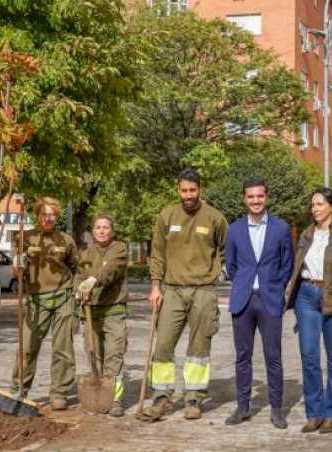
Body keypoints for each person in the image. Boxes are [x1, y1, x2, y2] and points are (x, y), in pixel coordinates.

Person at [141, 168, 228, 420]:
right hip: (172, 291)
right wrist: (156, 285)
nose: (188, 194)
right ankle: (162, 396)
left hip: (204, 291)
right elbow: (157, 253)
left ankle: (193, 398)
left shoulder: (215, 218)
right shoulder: (167, 215)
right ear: (177, 190)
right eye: (184, 190)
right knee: (163, 345)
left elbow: (224, 249)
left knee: (199, 348)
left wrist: (214, 272)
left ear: (200, 189)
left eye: (193, 190)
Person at [286, 187, 332, 434]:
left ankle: (331, 414)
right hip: (306, 296)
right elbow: (296, 268)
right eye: (312, 205)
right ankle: (314, 412)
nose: (314, 208)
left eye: (319, 204)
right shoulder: (306, 234)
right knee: (309, 356)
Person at [224, 178, 294, 429]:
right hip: (242, 300)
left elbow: (287, 264)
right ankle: (243, 406)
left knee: (273, 356)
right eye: (251, 197)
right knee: (243, 356)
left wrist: (274, 285)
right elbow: (231, 265)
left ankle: (277, 409)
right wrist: (244, 282)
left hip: (270, 300)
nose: (256, 201)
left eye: (260, 196)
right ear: (244, 198)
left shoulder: (281, 228)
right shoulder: (233, 230)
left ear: (267, 197)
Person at [11, 197, 78, 410]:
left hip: (62, 298)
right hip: (35, 300)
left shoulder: (65, 240)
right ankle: (18, 389)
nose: (47, 218)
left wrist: (77, 288)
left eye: (51, 215)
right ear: (37, 215)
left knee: (62, 348)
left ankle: (59, 392)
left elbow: (75, 267)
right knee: (27, 347)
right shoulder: (24, 237)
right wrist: (18, 263)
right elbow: (16, 268)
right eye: (43, 214)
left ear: (56, 216)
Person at [75, 214, 129, 417]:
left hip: (114, 311)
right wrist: (77, 290)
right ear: (93, 231)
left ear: (112, 231)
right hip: (90, 312)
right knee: (94, 355)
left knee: (114, 356)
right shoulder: (85, 253)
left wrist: (93, 280)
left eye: (106, 227)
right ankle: (98, 397)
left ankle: (114, 399)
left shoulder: (119, 249)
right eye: (98, 227)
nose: (102, 231)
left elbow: (112, 269)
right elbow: (78, 276)